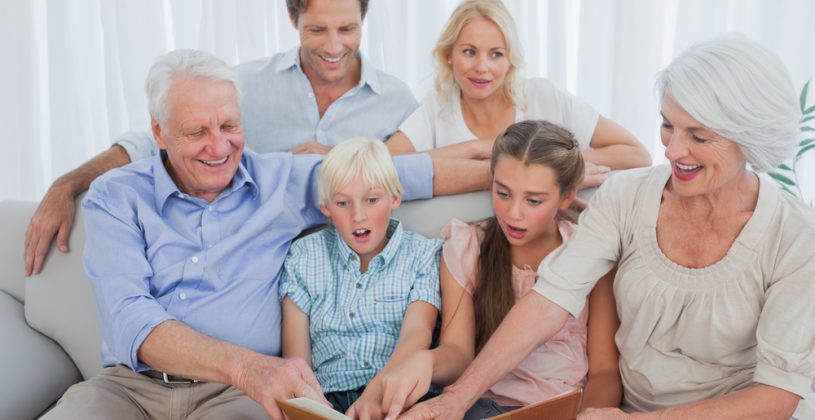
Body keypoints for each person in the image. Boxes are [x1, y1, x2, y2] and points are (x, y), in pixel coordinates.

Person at [42, 49, 487, 420]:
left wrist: (518, 179)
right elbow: (129, 319)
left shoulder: (281, 181)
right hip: (129, 389)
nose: (219, 148)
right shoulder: (116, 197)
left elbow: (396, 174)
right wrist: (247, 368)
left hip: (232, 399)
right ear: (158, 131)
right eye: (196, 132)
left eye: (229, 126)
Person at [401, 35, 815, 420]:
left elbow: (777, 394)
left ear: (750, 136)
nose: (671, 150)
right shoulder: (627, 196)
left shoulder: (795, 236)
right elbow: (549, 301)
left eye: (699, 136)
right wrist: (458, 397)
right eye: (668, 124)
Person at [24, 0, 417, 277]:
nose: (334, 47)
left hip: (347, 276)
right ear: (293, 19)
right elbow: (156, 141)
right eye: (317, 29)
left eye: (347, 29)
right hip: (255, 270)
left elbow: (411, 175)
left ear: (364, 21)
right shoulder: (245, 84)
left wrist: (340, 161)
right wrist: (67, 184)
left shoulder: (397, 101)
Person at [374, 120, 621, 420]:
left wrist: (585, 415)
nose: (513, 213)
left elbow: (605, 372)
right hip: (482, 407)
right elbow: (457, 352)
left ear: (566, 195)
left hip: (560, 407)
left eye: (533, 200)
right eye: (502, 193)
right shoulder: (468, 247)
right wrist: (426, 361)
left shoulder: (586, 251)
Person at [385, 0, 651, 186]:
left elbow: (636, 154)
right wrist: (475, 148)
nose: (482, 68)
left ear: (510, 59)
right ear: (449, 55)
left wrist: (546, 163)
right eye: (469, 52)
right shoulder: (437, 105)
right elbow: (385, 165)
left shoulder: (543, 96)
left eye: (496, 54)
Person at [279, 137, 443, 416]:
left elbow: (417, 335)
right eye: (343, 203)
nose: (358, 215)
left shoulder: (421, 253)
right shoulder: (306, 255)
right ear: (326, 208)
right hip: (328, 399)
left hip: (399, 392)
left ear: (395, 197)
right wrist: (312, 407)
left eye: (372, 200)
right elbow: (297, 359)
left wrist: (376, 395)